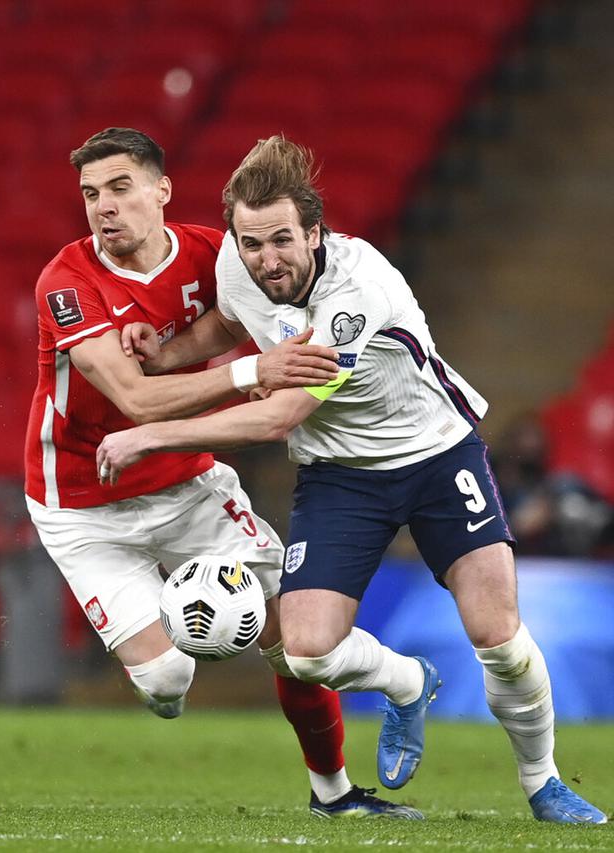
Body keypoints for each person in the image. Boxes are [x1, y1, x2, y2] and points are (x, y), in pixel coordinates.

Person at [97, 136, 607, 825]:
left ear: (314, 232)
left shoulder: (355, 290)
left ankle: (543, 782)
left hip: (436, 456)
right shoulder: (237, 263)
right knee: (306, 651)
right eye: (252, 243)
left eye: (282, 240)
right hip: (341, 474)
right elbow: (227, 321)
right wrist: (166, 356)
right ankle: (408, 683)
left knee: (500, 640)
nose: (267, 259)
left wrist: (153, 431)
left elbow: (280, 414)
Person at [24, 127, 422, 820]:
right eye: (90, 194)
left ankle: (343, 778)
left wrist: (267, 360)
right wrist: (253, 372)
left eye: (120, 187)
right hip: (83, 507)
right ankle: (168, 649)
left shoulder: (217, 254)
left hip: (188, 486)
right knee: (166, 679)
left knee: (292, 638)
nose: (104, 206)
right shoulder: (67, 282)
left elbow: (259, 315)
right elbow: (136, 400)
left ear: (162, 190)